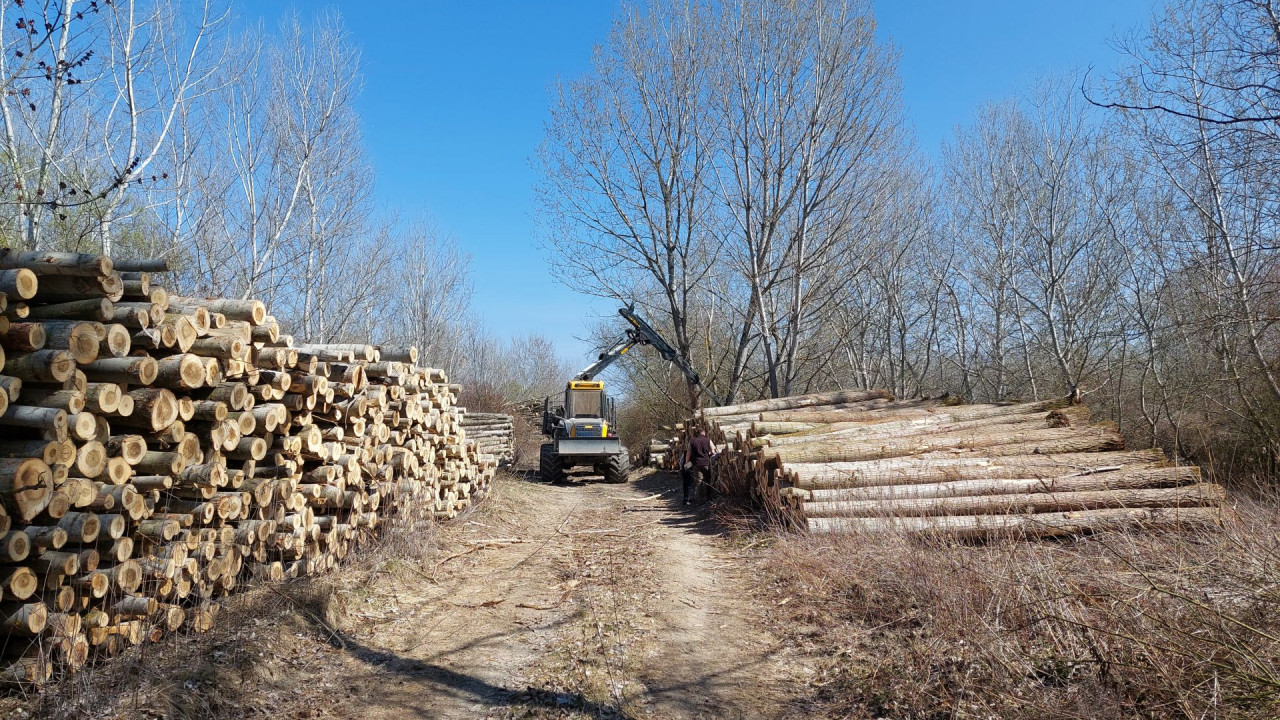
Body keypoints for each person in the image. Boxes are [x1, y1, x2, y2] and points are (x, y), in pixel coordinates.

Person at [683, 427, 715, 505]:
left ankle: (700, 500)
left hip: (696, 464)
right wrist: (710, 453)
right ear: (703, 433)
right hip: (706, 463)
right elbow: (713, 451)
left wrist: (686, 463)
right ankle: (709, 498)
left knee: (698, 482)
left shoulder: (692, 441)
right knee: (708, 480)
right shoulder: (708, 440)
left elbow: (688, 453)